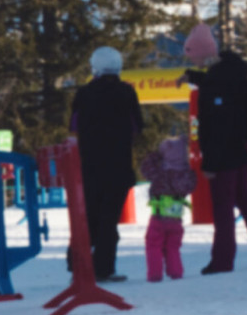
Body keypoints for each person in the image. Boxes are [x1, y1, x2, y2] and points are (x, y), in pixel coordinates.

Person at [180, 26, 247, 274]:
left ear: (203, 53)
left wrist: (209, 164)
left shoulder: (216, 83)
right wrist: (193, 77)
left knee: (223, 208)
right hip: (244, 148)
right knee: (246, 200)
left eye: (192, 55)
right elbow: (225, 90)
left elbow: (216, 126)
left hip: (225, 155)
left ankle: (222, 261)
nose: (191, 60)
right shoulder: (233, 70)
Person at [69, 46, 144, 283]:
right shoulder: (126, 92)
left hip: (90, 166)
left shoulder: (84, 93)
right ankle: (104, 268)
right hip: (118, 166)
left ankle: (77, 263)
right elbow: (137, 126)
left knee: (89, 216)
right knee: (108, 219)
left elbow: (74, 125)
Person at [139, 137, 197, 282]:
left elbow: (145, 167)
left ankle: (155, 274)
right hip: (176, 219)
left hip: (159, 217)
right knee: (173, 247)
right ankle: (176, 272)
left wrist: (156, 155)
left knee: (153, 245)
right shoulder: (187, 175)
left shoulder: (160, 174)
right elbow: (192, 185)